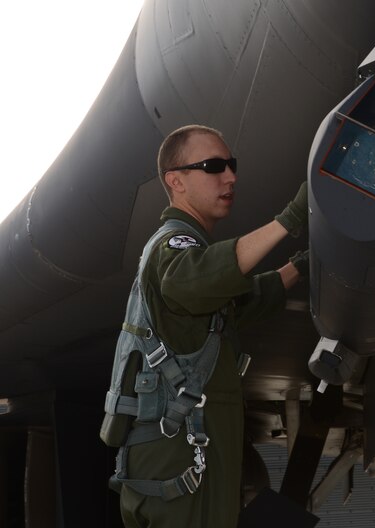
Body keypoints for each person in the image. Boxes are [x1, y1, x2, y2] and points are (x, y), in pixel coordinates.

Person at [102, 124, 308, 527]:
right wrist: (291, 219)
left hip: (183, 459)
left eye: (231, 165)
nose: (230, 176)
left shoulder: (184, 249)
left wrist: (299, 267)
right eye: (213, 166)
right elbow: (198, 280)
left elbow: (233, 305)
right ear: (175, 181)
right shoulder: (173, 246)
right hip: (179, 463)